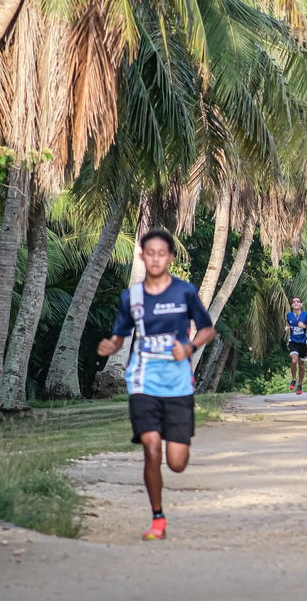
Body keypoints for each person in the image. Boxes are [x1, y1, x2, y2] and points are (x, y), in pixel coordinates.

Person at [96, 229, 214, 541]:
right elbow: (120, 334)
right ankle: (157, 518)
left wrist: (189, 348)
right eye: (151, 252)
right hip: (142, 381)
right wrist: (111, 344)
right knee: (150, 448)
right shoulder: (131, 297)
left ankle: (174, 447)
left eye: (163, 253)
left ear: (171, 258)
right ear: (143, 256)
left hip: (177, 386)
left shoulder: (184, 292)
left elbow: (206, 329)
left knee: (176, 463)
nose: (156, 258)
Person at [284, 296, 307, 394]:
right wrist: (287, 327)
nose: (296, 303)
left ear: (301, 304)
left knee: (301, 365)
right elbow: (289, 323)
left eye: (298, 301)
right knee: (294, 360)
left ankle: (300, 385)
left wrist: (305, 326)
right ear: (292, 305)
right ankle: (293, 379)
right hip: (293, 341)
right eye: (294, 302)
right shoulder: (289, 315)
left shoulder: (306, 315)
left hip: (303, 343)